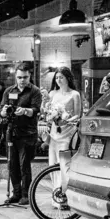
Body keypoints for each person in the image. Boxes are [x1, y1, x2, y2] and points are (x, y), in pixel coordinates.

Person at [0, 62, 42, 206]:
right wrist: (4, 111)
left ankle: (25, 194)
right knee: (12, 165)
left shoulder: (34, 91)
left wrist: (24, 111)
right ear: (15, 77)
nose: (22, 80)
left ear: (29, 76)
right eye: (19, 77)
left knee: (24, 165)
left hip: (28, 133)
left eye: (25, 77)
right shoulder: (9, 91)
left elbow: (36, 110)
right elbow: (1, 109)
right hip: (12, 132)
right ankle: (16, 193)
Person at [45, 67, 83, 211]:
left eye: (61, 77)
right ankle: (55, 196)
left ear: (68, 78)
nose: (58, 80)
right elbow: (47, 110)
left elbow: (78, 115)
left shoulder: (75, 94)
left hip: (67, 133)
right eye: (57, 78)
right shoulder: (53, 93)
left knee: (64, 166)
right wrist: (50, 114)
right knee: (53, 165)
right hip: (54, 133)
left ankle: (64, 197)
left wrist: (65, 119)